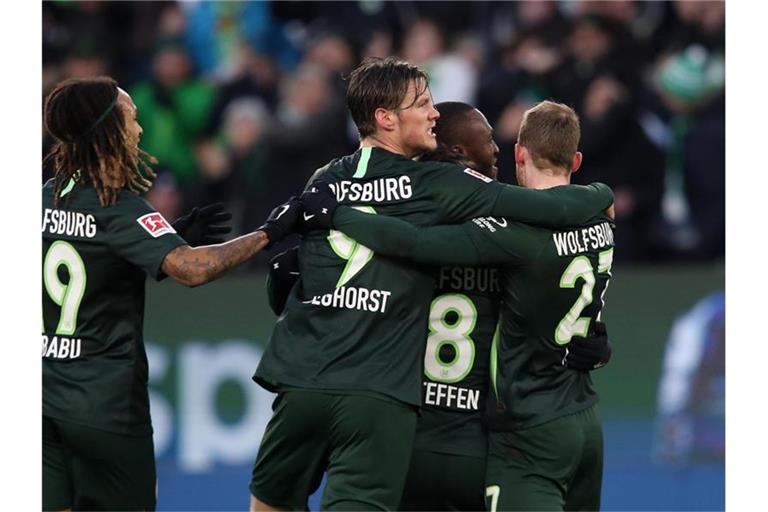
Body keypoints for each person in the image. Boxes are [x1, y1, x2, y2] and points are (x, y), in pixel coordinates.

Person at [249, 58, 613, 511]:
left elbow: (296, 290)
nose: (493, 167)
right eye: (489, 156)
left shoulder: (355, 197)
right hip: (482, 445)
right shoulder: (499, 229)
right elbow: (550, 284)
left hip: (404, 435)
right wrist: (587, 331)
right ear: (458, 161)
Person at [42, 76, 299, 511]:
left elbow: (86, 260)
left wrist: (162, 240)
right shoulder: (119, 206)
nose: (139, 130)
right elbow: (192, 270)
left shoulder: (44, 198)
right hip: (104, 404)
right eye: (130, 118)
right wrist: (268, 232)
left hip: (42, 398)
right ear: (107, 131)